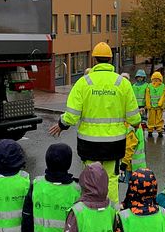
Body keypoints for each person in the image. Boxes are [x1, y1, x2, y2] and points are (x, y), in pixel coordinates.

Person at [49, 42, 141, 205]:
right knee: (112, 179)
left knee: (91, 177)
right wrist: (136, 123)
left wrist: (62, 125)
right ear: (111, 60)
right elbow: (134, 117)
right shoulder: (122, 83)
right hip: (115, 143)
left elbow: (72, 115)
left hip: (89, 143)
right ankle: (112, 215)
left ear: (94, 60)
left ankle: (91, 209)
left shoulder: (84, 83)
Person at [145, 71, 165, 136]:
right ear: (152, 79)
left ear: (160, 79)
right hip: (151, 106)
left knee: (159, 118)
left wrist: (161, 103)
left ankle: (159, 130)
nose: (156, 80)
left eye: (157, 79)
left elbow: (163, 95)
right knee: (151, 119)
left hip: (159, 107)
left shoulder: (163, 86)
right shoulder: (149, 86)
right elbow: (147, 96)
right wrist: (148, 104)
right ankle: (150, 130)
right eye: (154, 79)